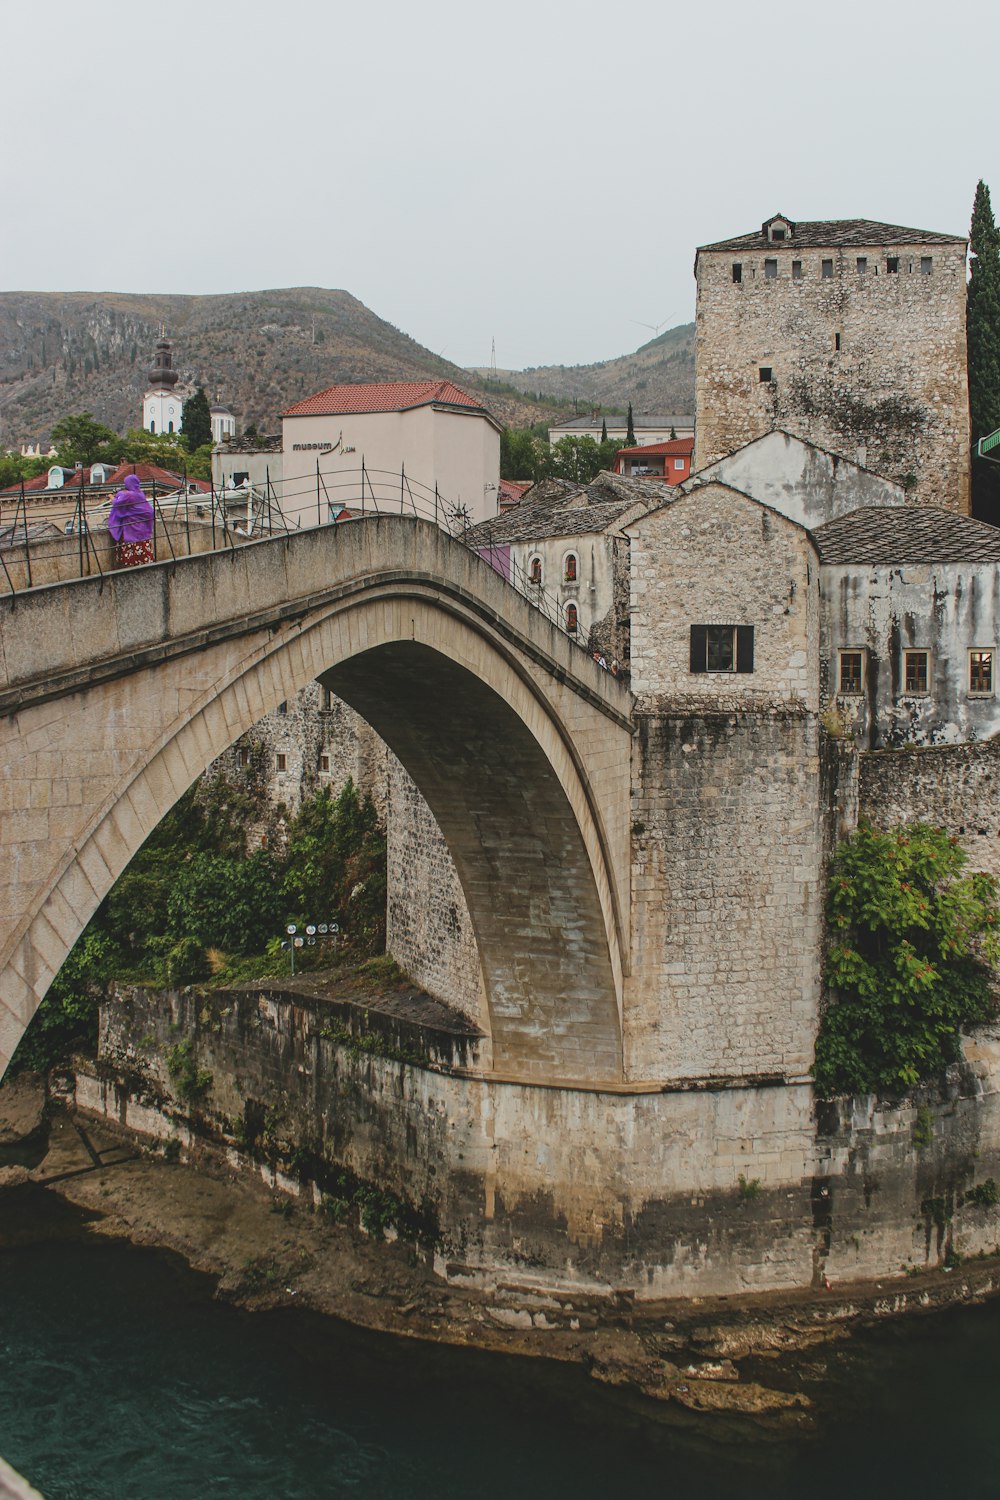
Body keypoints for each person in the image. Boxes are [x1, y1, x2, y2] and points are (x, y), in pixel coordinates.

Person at [107, 474, 154, 567]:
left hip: (132, 531)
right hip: (143, 532)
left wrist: (112, 497)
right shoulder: (140, 494)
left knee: (130, 559)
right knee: (142, 558)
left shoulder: (129, 495)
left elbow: (117, 504)